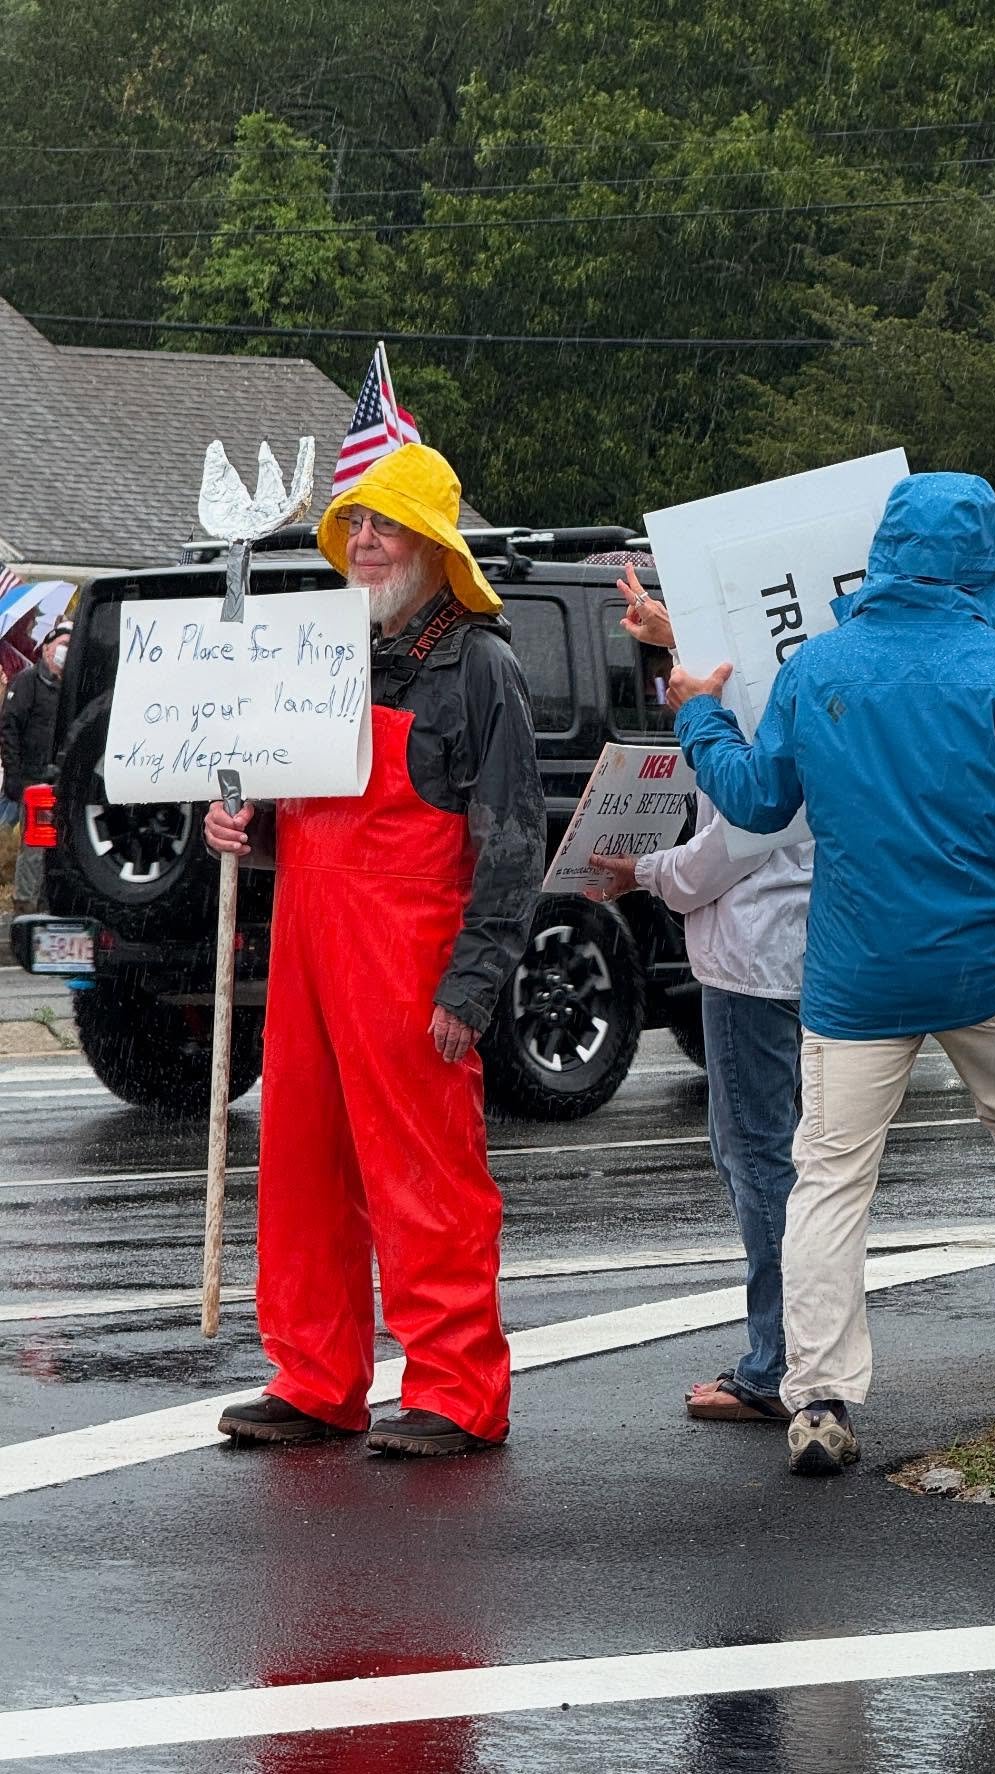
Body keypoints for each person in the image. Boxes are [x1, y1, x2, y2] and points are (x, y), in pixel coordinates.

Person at [666, 471, 995, 1476]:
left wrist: (699, 716)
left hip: (857, 973)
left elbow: (757, 803)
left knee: (828, 1178)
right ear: (985, 559)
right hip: (984, 960)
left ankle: (818, 1396)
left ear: (888, 554)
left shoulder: (821, 666)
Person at [210, 443, 545, 1457]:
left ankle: (455, 1390)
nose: (363, 542)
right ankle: (314, 1377)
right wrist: (245, 830)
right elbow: (291, 805)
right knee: (302, 1164)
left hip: (411, 958)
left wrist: (474, 981)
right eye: (354, 524)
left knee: (426, 1178)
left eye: (385, 526)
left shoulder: (481, 667)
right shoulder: (325, 656)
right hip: (309, 948)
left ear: (435, 549)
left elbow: (514, 839)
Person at [587, 566, 811, 1423]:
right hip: (808, 947)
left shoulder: (743, 707)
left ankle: (777, 1364)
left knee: (759, 1157)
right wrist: (669, 631)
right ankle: (801, 1349)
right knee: (796, 1158)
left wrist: (642, 872)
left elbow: (740, 834)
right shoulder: (806, 670)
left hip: (753, 957)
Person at [1, 616, 69, 910]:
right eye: (62, 645)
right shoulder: (27, 682)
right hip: (32, 778)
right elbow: (9, 728)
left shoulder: (72, 686)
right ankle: (26, 903)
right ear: (46, 649)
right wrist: (14, 774)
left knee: (61, 846)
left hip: (62, 779)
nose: (67, 651)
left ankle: (50, 901)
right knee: (34, 847)